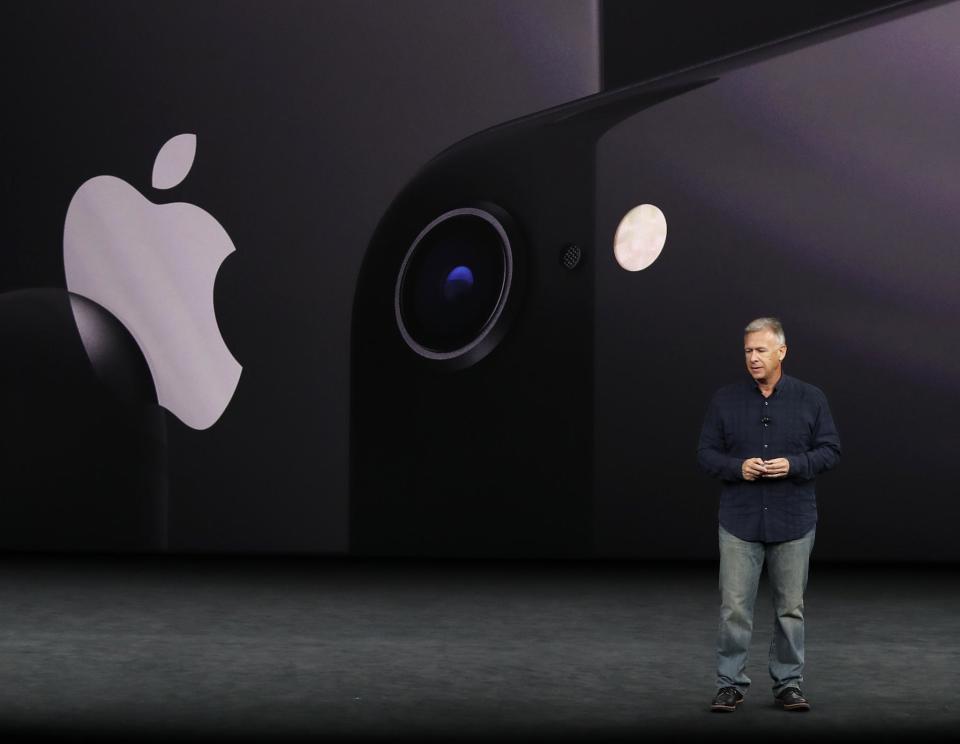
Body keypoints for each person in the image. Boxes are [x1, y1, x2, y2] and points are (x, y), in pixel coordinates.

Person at [698, 317, 840, 713]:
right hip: (740, 521)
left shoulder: (811, 398)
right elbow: (706, 453)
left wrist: (793, 464)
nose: (753, 358)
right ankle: (730, 685)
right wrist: (736, 468)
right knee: (734, 609)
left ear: (782, 351)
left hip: (793, 520)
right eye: (748, 351)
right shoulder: (725, 399)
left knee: (790, 609)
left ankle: (788, 685)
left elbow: (831, 450)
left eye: (761, 350)